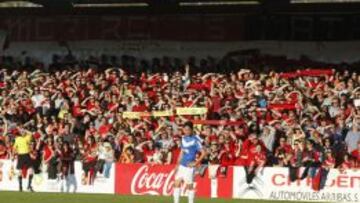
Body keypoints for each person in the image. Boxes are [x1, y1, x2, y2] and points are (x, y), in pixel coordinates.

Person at [173, 121, 206, 203]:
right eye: (185, 129)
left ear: (192, 130)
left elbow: (204, 152)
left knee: (189, 186)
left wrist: (196, 163)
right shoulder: (183, 138)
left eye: (188, 130)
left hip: (189, 167)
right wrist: (177, 164)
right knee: (176, 184)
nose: (186, 131)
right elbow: (182, 152)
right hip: (182, 165)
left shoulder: (195, 140)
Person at [12, 127, 34, 192]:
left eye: (23, 131)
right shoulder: (17, 139)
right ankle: (20, 187)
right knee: (20, 172)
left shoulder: (27, 137)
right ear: (20, 133)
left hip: (27, 155)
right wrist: (13, 155)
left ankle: (29, 186)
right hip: (20, 156)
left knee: (31, 170)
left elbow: (31, 133)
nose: (22, 132)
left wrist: (24, 129)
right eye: (21, 132)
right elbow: (14, 148)